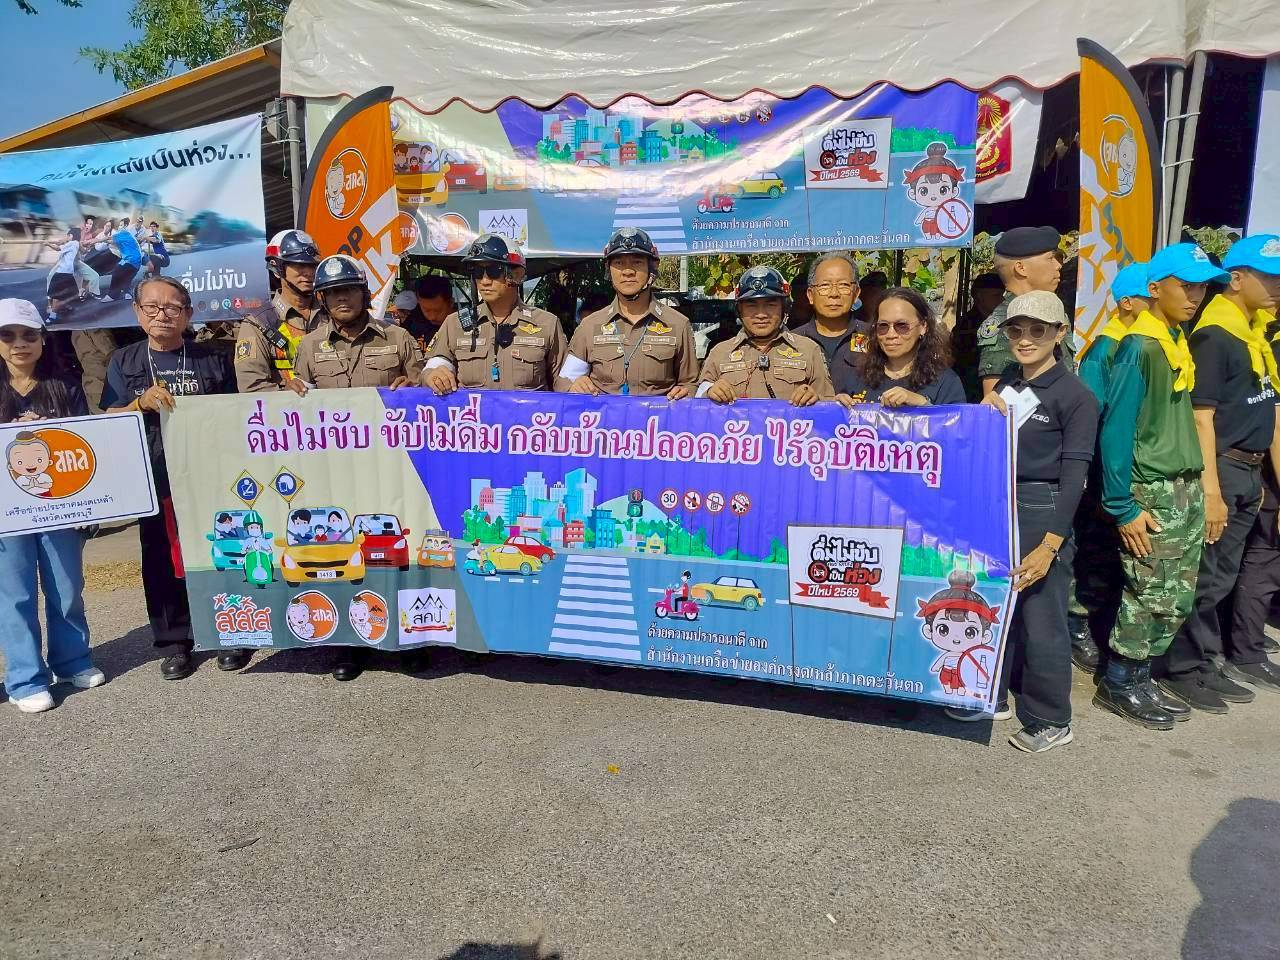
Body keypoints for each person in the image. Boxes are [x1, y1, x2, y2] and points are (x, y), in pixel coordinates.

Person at [959, 292, 1098, 753]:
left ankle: (1051, 718)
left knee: (1042, 615)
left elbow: (1075, 477)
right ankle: (992, 695)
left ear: (1060, 334)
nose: (1025, 338)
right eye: (1016, 330)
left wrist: (1050, 545)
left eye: (1038, 329)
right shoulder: (1009, 382)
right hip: (1001, 502)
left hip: (1043, 506)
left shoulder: (1076, 396)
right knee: (997, 604)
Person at [1092, 242, 1223, 729]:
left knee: (1175, 595)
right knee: (1148, 590)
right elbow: (1116, 427)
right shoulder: (1140, 346)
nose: (1195, 296)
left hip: (1182, 485)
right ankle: (1119, 680)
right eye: (1185, 286)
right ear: (1154, 288)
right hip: (1152, 487)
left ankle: (1140, 675)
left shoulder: (1172, 338)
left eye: (1202, 287)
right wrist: (1121, 504)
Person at [289, 255, 424, 682]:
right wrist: (290, 391)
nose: (341, 298)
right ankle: (348, 644)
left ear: (364, 293)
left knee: (395, 556)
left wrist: (414, 386)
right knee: (342, 557)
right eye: (332, 293)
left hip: (392, 467)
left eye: (348, 289)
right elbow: (296, 405)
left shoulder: (398, 338)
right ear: (322, 299)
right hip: (335, 472)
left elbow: (428, 391)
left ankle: (407, 638)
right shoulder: (309, 347)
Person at [1160, 234, 1280, 707]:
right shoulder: (1215, 336)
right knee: (1204, 578)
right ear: (1237, 278)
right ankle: (1181, 668)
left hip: (1247, 471)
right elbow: (1201, 417)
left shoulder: (1253, 334)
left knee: (1223, 577)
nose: (1276, 286)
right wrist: (1211, 490)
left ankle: (1206, 660)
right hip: (1223, 469)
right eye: (1268, 276)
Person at [101, 277, 239, 680]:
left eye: (173, 307)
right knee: (161, 558)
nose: (162, 315)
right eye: (152, 307)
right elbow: (108, 416)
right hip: (153, 475)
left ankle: (230, 632)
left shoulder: (213, 358)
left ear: (188, 314)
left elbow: (236, 412)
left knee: (221, 549)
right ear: (137, 312)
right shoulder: (123, 361)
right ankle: (175, 642)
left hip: (209, 475)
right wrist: (139, 402)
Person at [0, 299, 103, 713]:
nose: (19, 344)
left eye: (29, 335)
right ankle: (25, 679)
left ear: (43, 340)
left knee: (66, 589)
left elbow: (86, 446)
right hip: (6, 516)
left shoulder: (65, 387)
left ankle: (72, 661)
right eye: (8, 336)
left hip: (58, 508)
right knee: (16, 596)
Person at [1068, 261, 1150, 673]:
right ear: (1129, 303)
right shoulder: (1107, 348)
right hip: (1104, 472)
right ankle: (1077, 623)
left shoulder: (1148, 344)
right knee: (1094, 553)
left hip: (1127, 471)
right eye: (1151, 298)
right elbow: (1094, 417)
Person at [557, 228, 697, 397]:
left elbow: (691, 384)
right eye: (619, 263)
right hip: (603, 415)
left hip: (656, 415)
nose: (627, 271)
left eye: (637, 262)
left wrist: (686, 392)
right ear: (608, 269)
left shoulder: (678, 325)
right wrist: (574, 384)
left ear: (652, 267)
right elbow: (563, 381)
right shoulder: (589, 326)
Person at [424, 234, 565, 395]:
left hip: (528, 412)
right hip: (473, 412)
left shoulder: (546, 324)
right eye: (477, 272)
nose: (484, 281)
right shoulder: (454, 324)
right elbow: (433, 366)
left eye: (493, 271)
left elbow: (564, 381)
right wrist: (433, 374)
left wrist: (577, 383)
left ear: (516, 274)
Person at [699, 266, 834, 406]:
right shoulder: (719, 353)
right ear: (739, 310)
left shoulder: (808, 350)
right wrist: (709, 392)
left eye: (770, 305)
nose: (761, 314)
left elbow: (830, 406)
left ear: (784, 308)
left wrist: (815, 397)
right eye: (751, 306)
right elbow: (695, 404)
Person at [832, 286, 965, 407]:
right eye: (883, 326)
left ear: (923, 327)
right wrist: (837, 408)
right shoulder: (857, 377)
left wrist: (924, 405)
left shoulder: (945, 382)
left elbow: (957, 424)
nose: (891, 335)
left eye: (901, 326)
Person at [976, 226, 1070, 394]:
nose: (1058, 266)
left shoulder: (1052, 311)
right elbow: (996, 400)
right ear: (1021, 268)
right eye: (1051, 258)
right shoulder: (1004, 324)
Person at [234, 229, 321, 392]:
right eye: (299, 265)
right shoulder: (258, 322)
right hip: (288, 408)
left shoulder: (332, 315)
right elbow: (251, 386)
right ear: (277, 268)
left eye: (312, 266)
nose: (309, 273)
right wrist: (284, 395)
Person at [791, 252, 868, 368]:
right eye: (825, 285)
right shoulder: (792, 341)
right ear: (810, 295)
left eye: (843, 285)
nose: (834, 293)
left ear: (856, 293)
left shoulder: (874, 338)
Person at [952, 271, 1003, 401]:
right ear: (980, 296)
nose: (1001, 300)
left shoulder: (1001, 322)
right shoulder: (966, 326)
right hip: (970, 391)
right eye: (996, 295)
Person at [401, 275, 454, 354]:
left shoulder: (461, 327)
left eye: (437, 311)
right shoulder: (411, 326)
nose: (432, 317)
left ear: (451, 303)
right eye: (426, 310)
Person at [44, 227, 83, 323]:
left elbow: (58, 248)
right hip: (67, 272)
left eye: (68, 236)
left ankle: (53, 316)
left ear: (71, 236)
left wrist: (47, 244)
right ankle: (67, 307)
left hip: (62, 272)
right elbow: (63, 246)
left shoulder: (72, 243)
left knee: (55, 295)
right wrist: (61, 242)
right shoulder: (75, 244)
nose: (67, 237)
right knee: (66, 293)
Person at [107, 220, 144, 301]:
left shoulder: (124, 233)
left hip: (133, 259)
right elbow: (112, 242)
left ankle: (112, 295)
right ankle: (127, 292)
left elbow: (109, 239)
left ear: (126, 226)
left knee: (118, 270)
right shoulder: (126, 234)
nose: (119, 227)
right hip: (135, 260)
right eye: (119, 225)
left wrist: (94, 241)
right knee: (127, 276)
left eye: (121, 225)